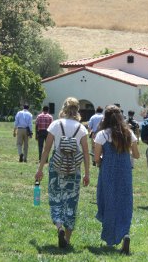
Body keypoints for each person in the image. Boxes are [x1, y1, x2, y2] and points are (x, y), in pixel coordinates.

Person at [35, 97, 90, 248]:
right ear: (77, 110)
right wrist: (87, 173)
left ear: (64, 108)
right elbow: (85, 153)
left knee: (56, 198)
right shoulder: (82, 128)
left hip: (56, 167)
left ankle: (59, 226)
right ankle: (67, 239)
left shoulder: (55, 125)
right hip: (74, 169)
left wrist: (39, 170)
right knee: (71, 202)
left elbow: (46, 149)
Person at [94, 105, 139, 255]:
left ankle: (111, 235)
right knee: (125, 202)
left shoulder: (102, 134)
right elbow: (137, 155)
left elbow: (96, 158)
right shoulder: (129, 133)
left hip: (108, 171)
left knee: (108, 201)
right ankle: (124, 233)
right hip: (125, 171)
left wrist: (101, 161)